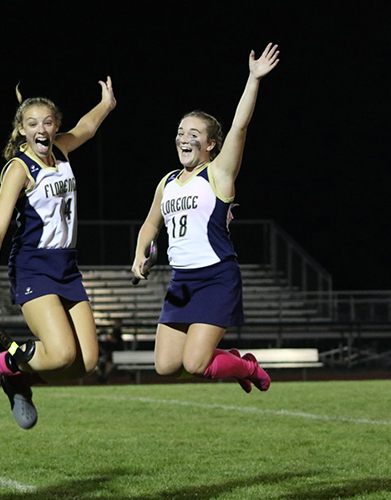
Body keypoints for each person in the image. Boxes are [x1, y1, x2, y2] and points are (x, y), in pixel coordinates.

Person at [131, 44, 280, 393]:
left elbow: (240, 127)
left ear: (212, 144)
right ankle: (230, 360)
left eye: (193, 134)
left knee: (196, 364)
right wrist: (139, 255)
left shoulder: (218, 174)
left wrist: (254, 79)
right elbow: (151, 224)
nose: (184, 138)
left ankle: (246, 366)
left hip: (216, 277)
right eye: (181, 132)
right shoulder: (167, 182)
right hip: (181, 282)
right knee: (166, 366)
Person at [0, 78, 116, 429]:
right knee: (62, 352)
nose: (41, 129)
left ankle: (18, 379)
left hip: (67, 267)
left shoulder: (61, 150)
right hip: (33, 266)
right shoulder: (19, 169)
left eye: (48, 122)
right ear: (22, 130)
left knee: (85, 363)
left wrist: (106, 104)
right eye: (33, 123)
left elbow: (87, 128)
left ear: (56, 126)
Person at [97, 318, 125, 383]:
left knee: (108, 362)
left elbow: (116, 341)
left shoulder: (118, 331)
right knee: (102, 362)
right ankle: (103, 376)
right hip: (110, 352)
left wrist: (108, 339)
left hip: (114, 353)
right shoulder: (115, 330)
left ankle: (104, 376)